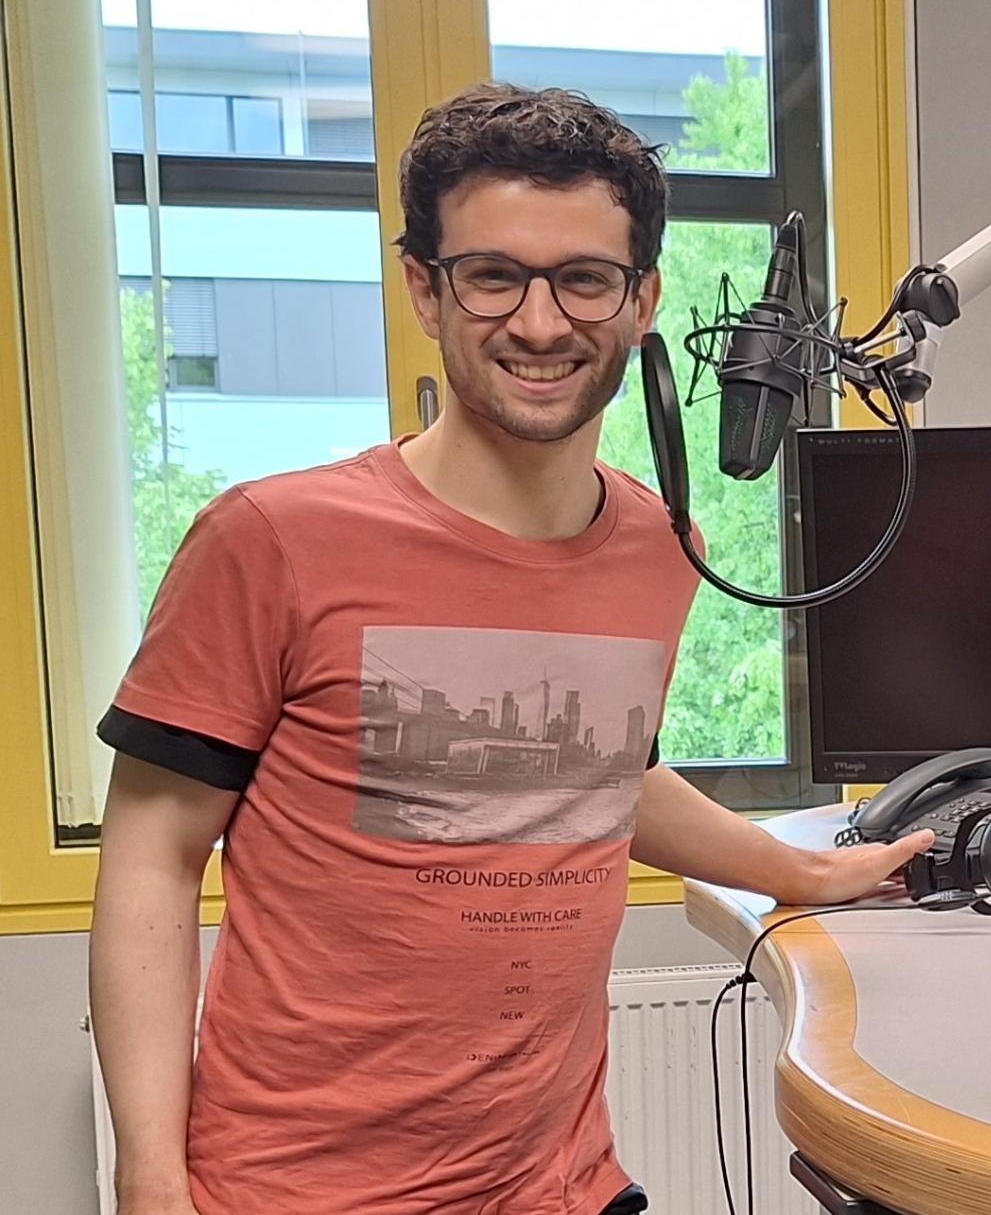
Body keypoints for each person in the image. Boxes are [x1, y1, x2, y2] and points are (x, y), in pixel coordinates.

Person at [89, 84, 923, 1215]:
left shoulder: (655, 544)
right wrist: (151, 1178)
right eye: (495, 276)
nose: (541, 324)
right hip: (299, 1192)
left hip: (559, 1184)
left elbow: (593, 771)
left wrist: (809, 874)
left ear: (643, 301)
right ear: (426, 290)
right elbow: (151, 851)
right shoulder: (272, 538)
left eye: (584, 278)